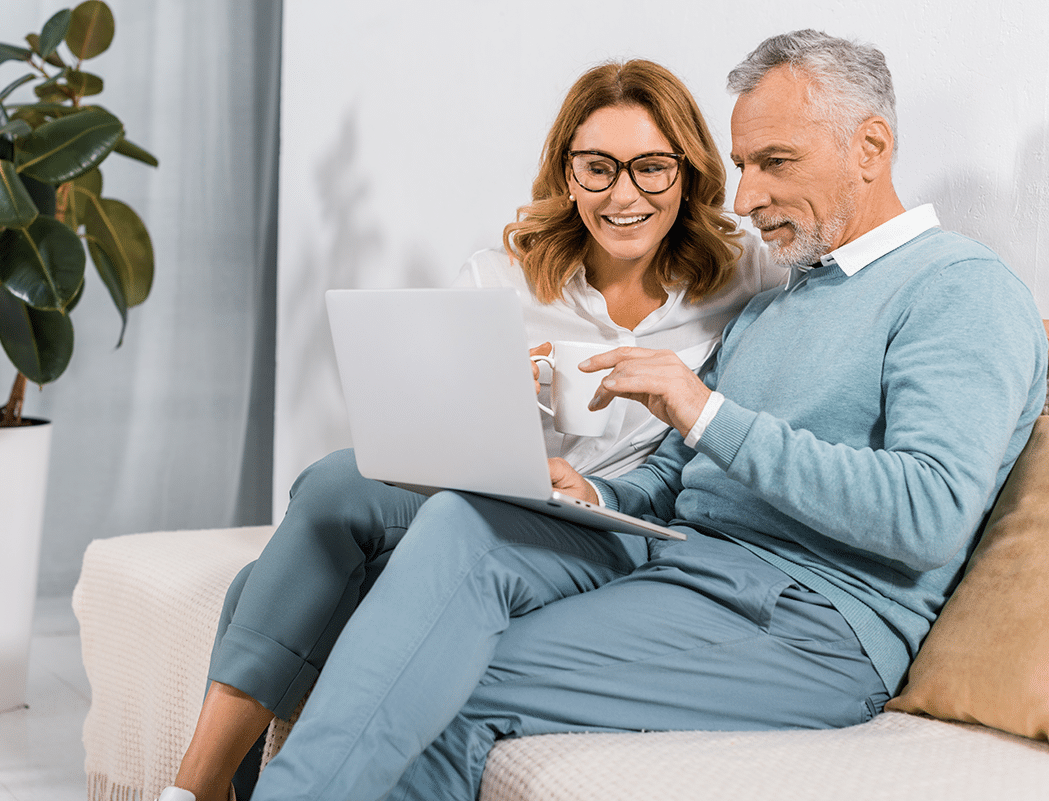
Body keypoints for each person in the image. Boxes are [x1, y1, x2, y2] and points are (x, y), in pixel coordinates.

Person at [241, 29, 1047, 801]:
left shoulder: (961, 289)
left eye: (775, 162)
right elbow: (679, 470)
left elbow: (929, 512)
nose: (746, 196)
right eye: (741, 165)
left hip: (814, 622)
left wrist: (707, 410)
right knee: (460, 523)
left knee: (445, 670)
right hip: (686, 567)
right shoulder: (782, 302)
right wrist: (598, 499)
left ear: (871, 148)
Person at [157, 59, 780, 801]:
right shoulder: (501, 277)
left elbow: (708, 437)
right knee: (330, 482)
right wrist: (492, 403)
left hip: (614, 525)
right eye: (597, 168)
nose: (624, 194)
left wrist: (599, 483)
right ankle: (192, 790)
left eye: (651, 167)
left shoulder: (747, 276)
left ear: (689, 169)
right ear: (567, 172)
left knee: (258, 586)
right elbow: (422, 433)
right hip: (490, 500)